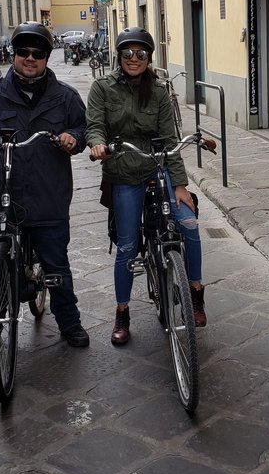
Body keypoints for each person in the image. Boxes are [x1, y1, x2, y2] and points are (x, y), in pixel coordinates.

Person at [0, 21, 90, 354]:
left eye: (38, 53)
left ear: (47, 58)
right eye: (23, 51)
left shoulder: (64, 97)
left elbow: (83, 128)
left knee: (56, 264)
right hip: (2, 197)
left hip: (48, 198)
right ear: (14, 53)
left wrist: (74, 139)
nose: (30, 58)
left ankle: (69, 322)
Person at [86, 27, 206, 345]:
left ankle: (195, 291)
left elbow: (170, 140)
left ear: (149, 57)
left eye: (141, 54)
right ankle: (122, 311)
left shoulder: (159, 92)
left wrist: (180, 184)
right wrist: (97, 143)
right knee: (127, 245)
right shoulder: (102, 88)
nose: (134, 59)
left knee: (188, 222)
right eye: (128, 53)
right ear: (119, 56)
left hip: (157, 167)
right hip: (124, 173)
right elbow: (95, 124)